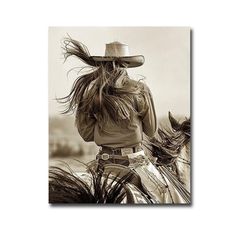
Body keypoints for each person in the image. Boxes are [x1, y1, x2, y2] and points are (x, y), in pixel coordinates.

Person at [60, 36, 168, 203]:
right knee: (164, 192)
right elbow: (151, 131)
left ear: (104, 63)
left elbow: (87, 135)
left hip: (104, 162)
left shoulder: (91, 93)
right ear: (126, 65)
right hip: (135, 162)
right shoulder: (140, 89)